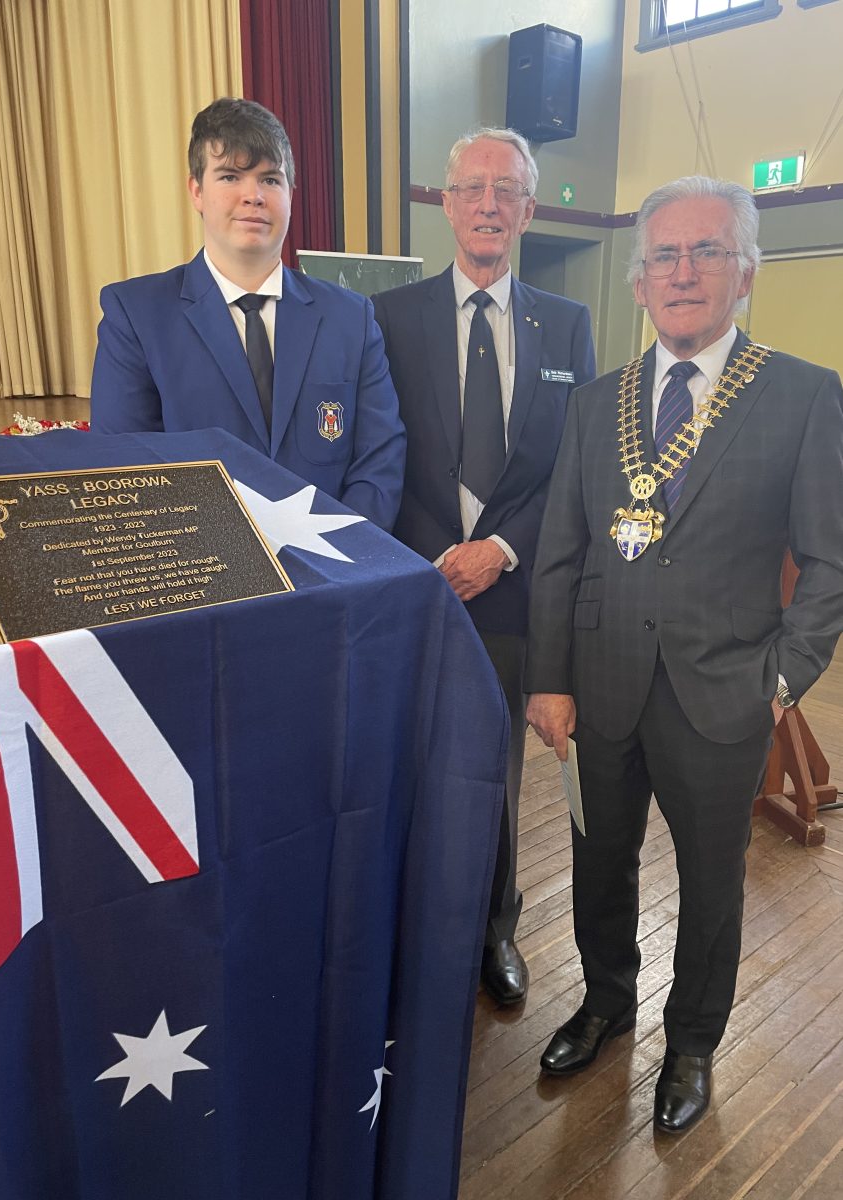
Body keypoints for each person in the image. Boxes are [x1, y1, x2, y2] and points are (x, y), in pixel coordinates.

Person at [525, 175, 843, 1131]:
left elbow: (830, 564)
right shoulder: (597, 404)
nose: (684, 271)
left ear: (745, 273)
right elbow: (561, 552)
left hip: (723, 698)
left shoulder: (803, 395)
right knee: (598, 862)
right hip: (601, 688)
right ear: (638, 283)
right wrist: (547, 680)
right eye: (664, 254)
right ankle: (606, 1003)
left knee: (710, 887)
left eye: (707, 251)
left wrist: (781, 681)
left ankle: (694, 1038)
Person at [373, 128, 596, 1005]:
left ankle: (494, 929)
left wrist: (499, 551)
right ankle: (414, 924)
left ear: (530, 210)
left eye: (508, 190)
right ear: (446, 203)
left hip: (512, 594)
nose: (490, 205)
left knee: (496, 778)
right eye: (473, 188)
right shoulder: (385, 319)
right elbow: (380, 458)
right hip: (415, 589)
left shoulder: (568, 325)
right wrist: (434, 559)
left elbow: (572, 472)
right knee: (411, 767)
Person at [90, 98, 405, 531]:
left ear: (291, 195)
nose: (253, 196)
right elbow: (123, 469)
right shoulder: (137, 316)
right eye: (230, 176)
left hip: (337, 577)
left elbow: (380, 459)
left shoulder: (351, 318)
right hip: (201, 581)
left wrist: (345, 555)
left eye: (270, 179)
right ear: (197, 191)